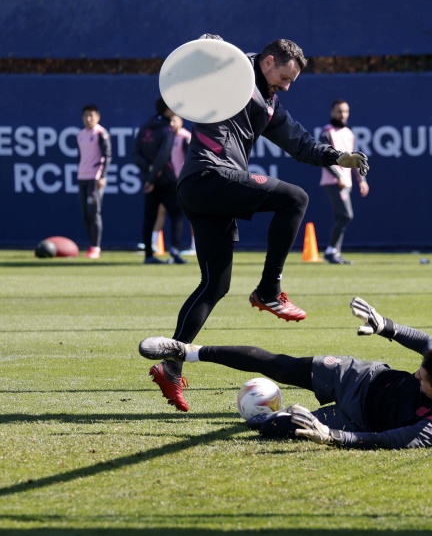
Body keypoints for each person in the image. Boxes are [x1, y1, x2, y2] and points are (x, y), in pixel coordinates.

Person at [148, 35, 369, 412]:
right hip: (208, 175)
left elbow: (299, 142)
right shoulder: (229, 71)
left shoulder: (268, 103)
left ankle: (170, 367)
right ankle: (268, 291)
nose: (287, 85)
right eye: (284, 76)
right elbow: (201, 62)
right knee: (296, 198)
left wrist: (337, 156)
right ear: (267, 62)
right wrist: (210, 47)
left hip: (205, 190)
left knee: (214, 285)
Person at [139, 297, 432, 449]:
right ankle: (186, 351)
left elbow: (387, 440)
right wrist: (386, 326)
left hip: (358, 423)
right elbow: (428, 342)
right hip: (361, 376)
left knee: (274, 428)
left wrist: (332, 437)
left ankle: (267, 417)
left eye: (422, 378)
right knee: (279, 364)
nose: (416, 375)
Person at [132, 98, 186, 265]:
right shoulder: (167, 130)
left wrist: (149, 176)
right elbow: (163, 156)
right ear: (166, 110)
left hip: (150, 182)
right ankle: (175, 250)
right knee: (176, 215)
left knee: (149, 218)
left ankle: (148, 254)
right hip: (166, 180)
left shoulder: (145, 127)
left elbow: (135, 155)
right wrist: (154, 176)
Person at [319, 99, 369, 264]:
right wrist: (338, 176)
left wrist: (361, 179)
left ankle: (334, 251)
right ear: (332, 112)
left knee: (342, 216)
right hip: (333, 182)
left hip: (346, 182)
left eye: (346, 111)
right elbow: (323, 158)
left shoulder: (348, 133)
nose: (343, 114)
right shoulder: (326, 132)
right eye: (340, 111)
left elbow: (354, 160)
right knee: (346, 215)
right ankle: (332, 251)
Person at [150, 114, 194, 255]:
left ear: (181, 121)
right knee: (161, 210)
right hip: (169, 182)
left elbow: (190, 160)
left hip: (184, 182)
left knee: (192, 213)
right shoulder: (165, 137)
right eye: (170, 121)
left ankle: (195, 246)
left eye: (175, 120)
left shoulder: (185, 137)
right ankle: (153, 245)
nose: (172, 123)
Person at [76, 104, 112, 259]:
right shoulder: (81, 135)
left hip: (95, 178)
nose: (88, 119)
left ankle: (96, 247)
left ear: (98, 117)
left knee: (94, 212)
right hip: (82, 177)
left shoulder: (101, 133)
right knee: (85, 214)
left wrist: (102, 176)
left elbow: (107, 155)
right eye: (85, 116)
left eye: (91, 116)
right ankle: (91, 246)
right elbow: (81, 156)